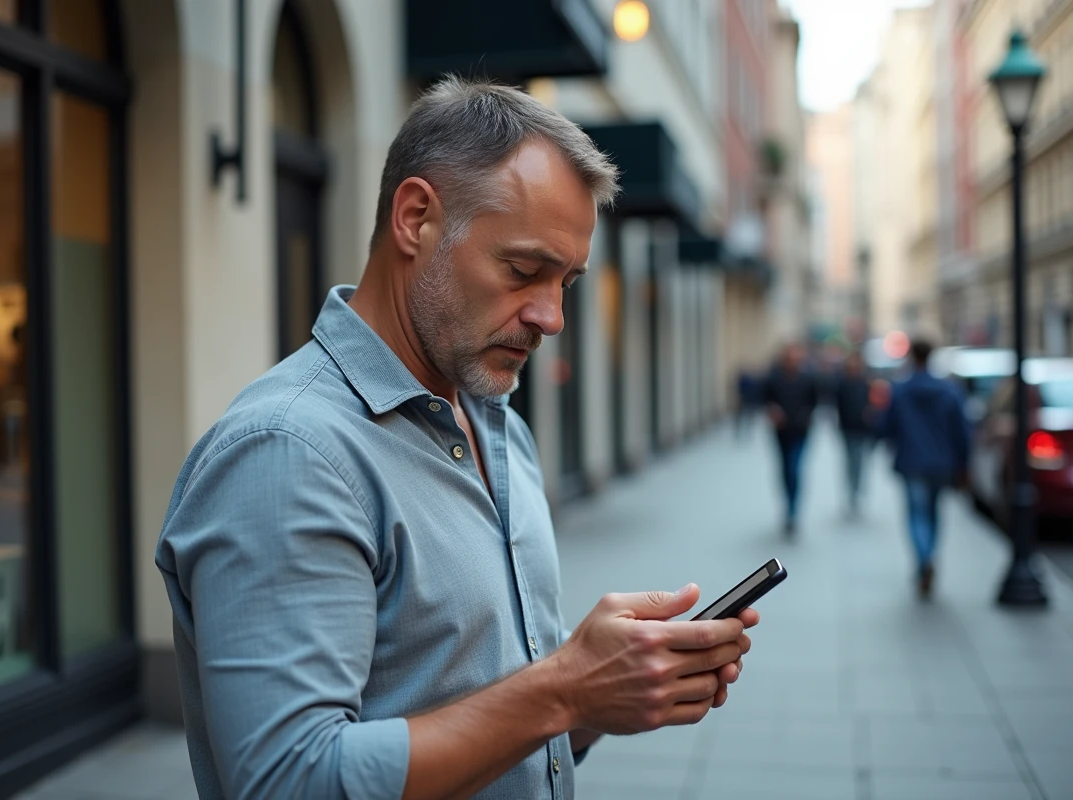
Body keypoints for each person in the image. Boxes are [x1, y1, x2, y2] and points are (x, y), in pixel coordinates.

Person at [155, 78, 758, 800]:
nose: (551, 317)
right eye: (524, 270)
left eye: (566, 282)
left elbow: (486, 711)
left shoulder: (500, 428)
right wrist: (564, 689)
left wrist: (599, 699)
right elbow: (290, 781)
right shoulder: (289, 453)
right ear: (416, 219)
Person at [879, 339, 971, 598]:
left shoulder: (900, 389)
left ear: (911, 356)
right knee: (933, 513)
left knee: (916, 514)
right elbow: (963, 431)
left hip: (911, 461)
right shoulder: (949, 389)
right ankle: (929, 556)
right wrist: (964, 463)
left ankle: (924, 559)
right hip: (942, 463)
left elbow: (886, 426)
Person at [763, 343, 818, 534]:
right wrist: (773, 411)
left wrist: (807, 415)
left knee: (795, 469)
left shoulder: (807, 379)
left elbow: (815, 402)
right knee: (785, 469)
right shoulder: (774, 379)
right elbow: (765, 400)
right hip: (782, 432)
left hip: (801, 432)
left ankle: (793, 510)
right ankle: (787, 505)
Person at [835, 352, 874, 516]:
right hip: (847, 428)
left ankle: (856, 492)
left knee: (858, 461)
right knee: (850, 461)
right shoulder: (842, 384)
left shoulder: (866, 384)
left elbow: (873, 404)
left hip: (862, 428)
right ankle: (852, 492)